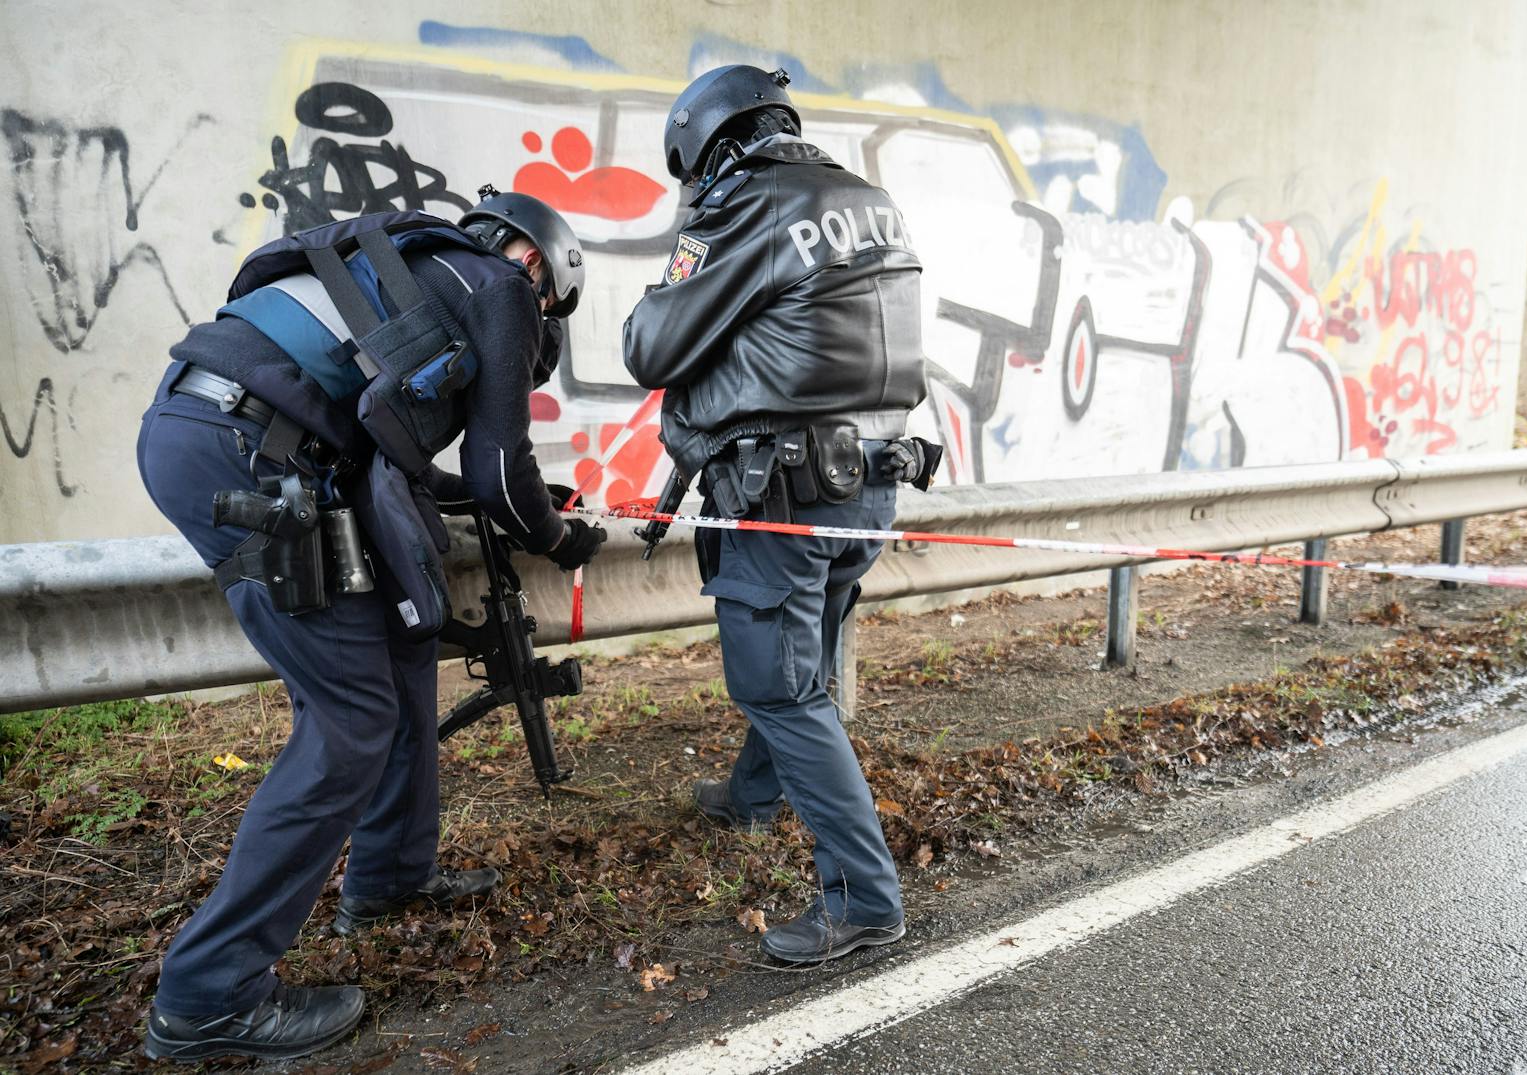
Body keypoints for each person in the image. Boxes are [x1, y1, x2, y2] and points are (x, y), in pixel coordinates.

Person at [136, 190, 606, 1062]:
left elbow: (415, 458)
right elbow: (502, 468)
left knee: (402, 645)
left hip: (229, 431)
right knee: (349, 722)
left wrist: (510, 500)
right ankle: (208, 994)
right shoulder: (500, 288)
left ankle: (390, 874)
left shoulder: (409, 269)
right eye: (550, 309)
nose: (539, 324)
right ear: (538, 264)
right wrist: (556, 534)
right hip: (248, 453)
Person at [623, 65, 939, 964]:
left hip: (782, 495)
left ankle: (864, 899)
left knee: (778, 685)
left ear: (709, 148)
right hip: (869, 485)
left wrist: (691, 238)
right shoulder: (870, 199)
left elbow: (650, 345)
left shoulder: (743, 207)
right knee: (803, 664)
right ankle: (753, 796)